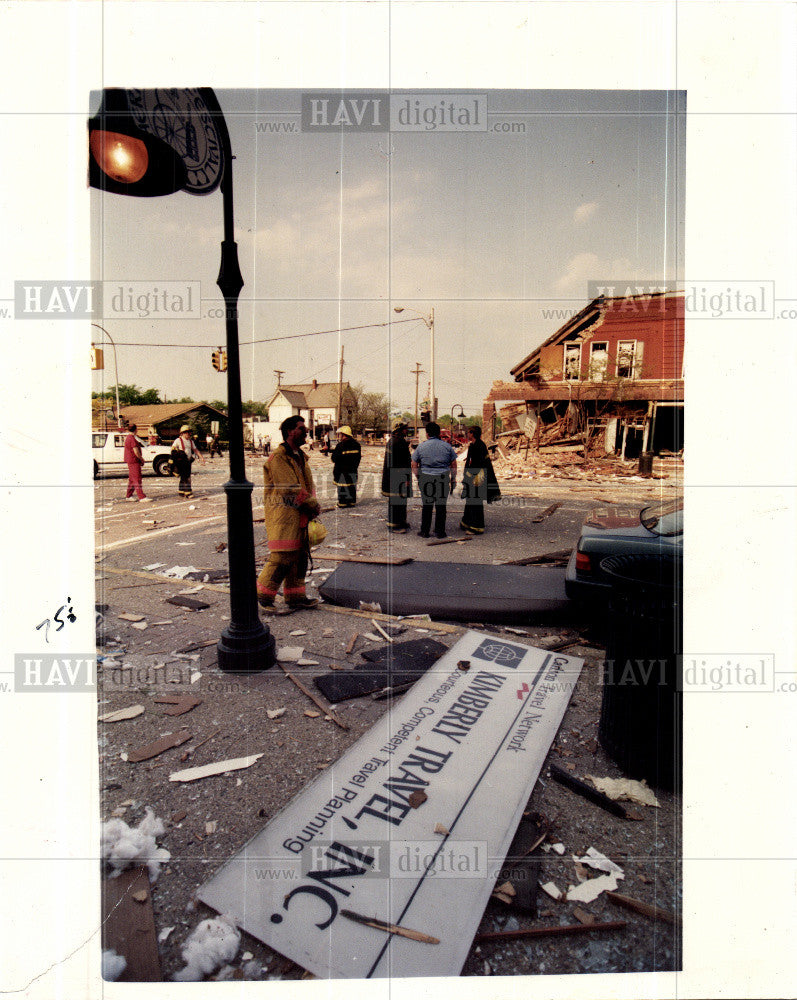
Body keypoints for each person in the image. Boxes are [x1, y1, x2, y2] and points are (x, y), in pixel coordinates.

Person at [256, 415, 320, 612]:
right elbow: (290, 488)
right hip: (284, 515)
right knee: (282, 557)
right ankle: (262, 597)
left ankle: (295, 597)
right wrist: (311, 504)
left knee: (299, 556)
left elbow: (306, 485)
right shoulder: (279, 458)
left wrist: (312, 506)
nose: (306, 431)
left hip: (301, 514)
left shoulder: (299, 456)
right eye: (302, 428)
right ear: (290, 431)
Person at [411, 421, 458, 539]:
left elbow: (414, 464)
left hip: (426, 478)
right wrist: (453, 479)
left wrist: (418, 477)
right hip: (442, 478)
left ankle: (425, 531)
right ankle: (440, 532)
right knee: (441, 506)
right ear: (439, 434)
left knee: (427, 506)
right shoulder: (447, 446)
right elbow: (453, 464)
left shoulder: (421, 446)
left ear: (427, 434)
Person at [459, 425, 501, 534]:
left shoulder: (479, 446)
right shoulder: (473, 445)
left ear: (472, 434)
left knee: (475, 502)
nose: (467, 434)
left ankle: (477, 527)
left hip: (478, 478)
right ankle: (466, 522)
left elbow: (480, 464)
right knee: (470, 501)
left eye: (469, 432)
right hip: (472, 477)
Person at [381, 420, 413, 532]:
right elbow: (402, 463)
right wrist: (406, 479)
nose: (406, 431)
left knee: (400, 501)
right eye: (405, 429)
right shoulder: (398, 443)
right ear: (399, 430)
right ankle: (395, 526)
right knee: (397, 502)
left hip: (394, 477)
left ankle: (401, 522)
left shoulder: (394, 441)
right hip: (398, 477)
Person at [330, 425, 361, 508]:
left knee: (343, 489)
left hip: (341, 472)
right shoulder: (357, 445)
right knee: (351, 487)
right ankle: (351, 502)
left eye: (340, 434)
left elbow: (334, 459)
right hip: (353, 471)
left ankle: (342, 503)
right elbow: (358, 459)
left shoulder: (340, 445)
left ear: (343, 434)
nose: (339, 436)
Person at [170, 424, 204, 498]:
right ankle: (188, 493)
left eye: (189, 432)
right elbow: (173, 449)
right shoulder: (178, 440)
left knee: (184, 477)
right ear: (182, 433)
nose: (189, 434)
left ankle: (181, 491)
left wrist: (201, 457)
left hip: (188, 461)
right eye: (187, 432)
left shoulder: (191, 441)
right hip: (181, 462)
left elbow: (195, 449)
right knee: (186, 477)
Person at [123, 424, 151, 502]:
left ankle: (129, 495)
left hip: (130, 460)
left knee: (132, 479)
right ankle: (141, 496)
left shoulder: (128, 438)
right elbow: (136, 451)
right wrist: (141, 459)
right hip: (134, 460)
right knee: (137, 479)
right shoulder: (132, 439)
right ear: (135, 430)